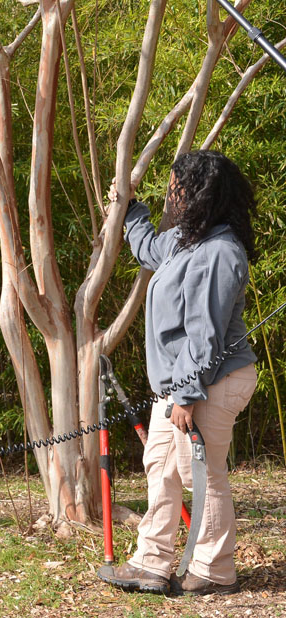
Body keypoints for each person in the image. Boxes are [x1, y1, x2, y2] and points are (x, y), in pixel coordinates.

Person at [98, 150, 258, 595]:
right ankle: (152, 562)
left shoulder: (219, 252)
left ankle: (214, 569)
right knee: (160, 467)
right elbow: (148, 245)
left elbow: (204, 335)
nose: (171, 193)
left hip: (212, 380)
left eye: (177, 186)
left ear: (201, 193)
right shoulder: (184, 241)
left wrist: (186, 394)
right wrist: (129, 210)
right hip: (180, 384)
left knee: (198, 474)